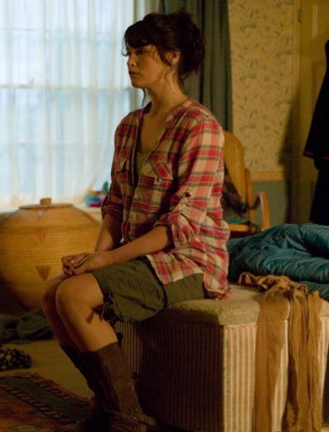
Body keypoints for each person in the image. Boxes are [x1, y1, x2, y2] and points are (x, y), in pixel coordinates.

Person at [41, 8, 229, 432]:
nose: (130, 62)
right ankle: (113, 406)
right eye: (128, 53)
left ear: (172, 57)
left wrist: (106, 263)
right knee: (54, 292)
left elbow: (180, 226)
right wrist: (94, 258)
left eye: (141, 52)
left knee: (73, 297)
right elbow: (115, 205)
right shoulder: (129, 126)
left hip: (190, 260)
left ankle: (126, 419)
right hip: (139, 256)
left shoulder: (200, 126)